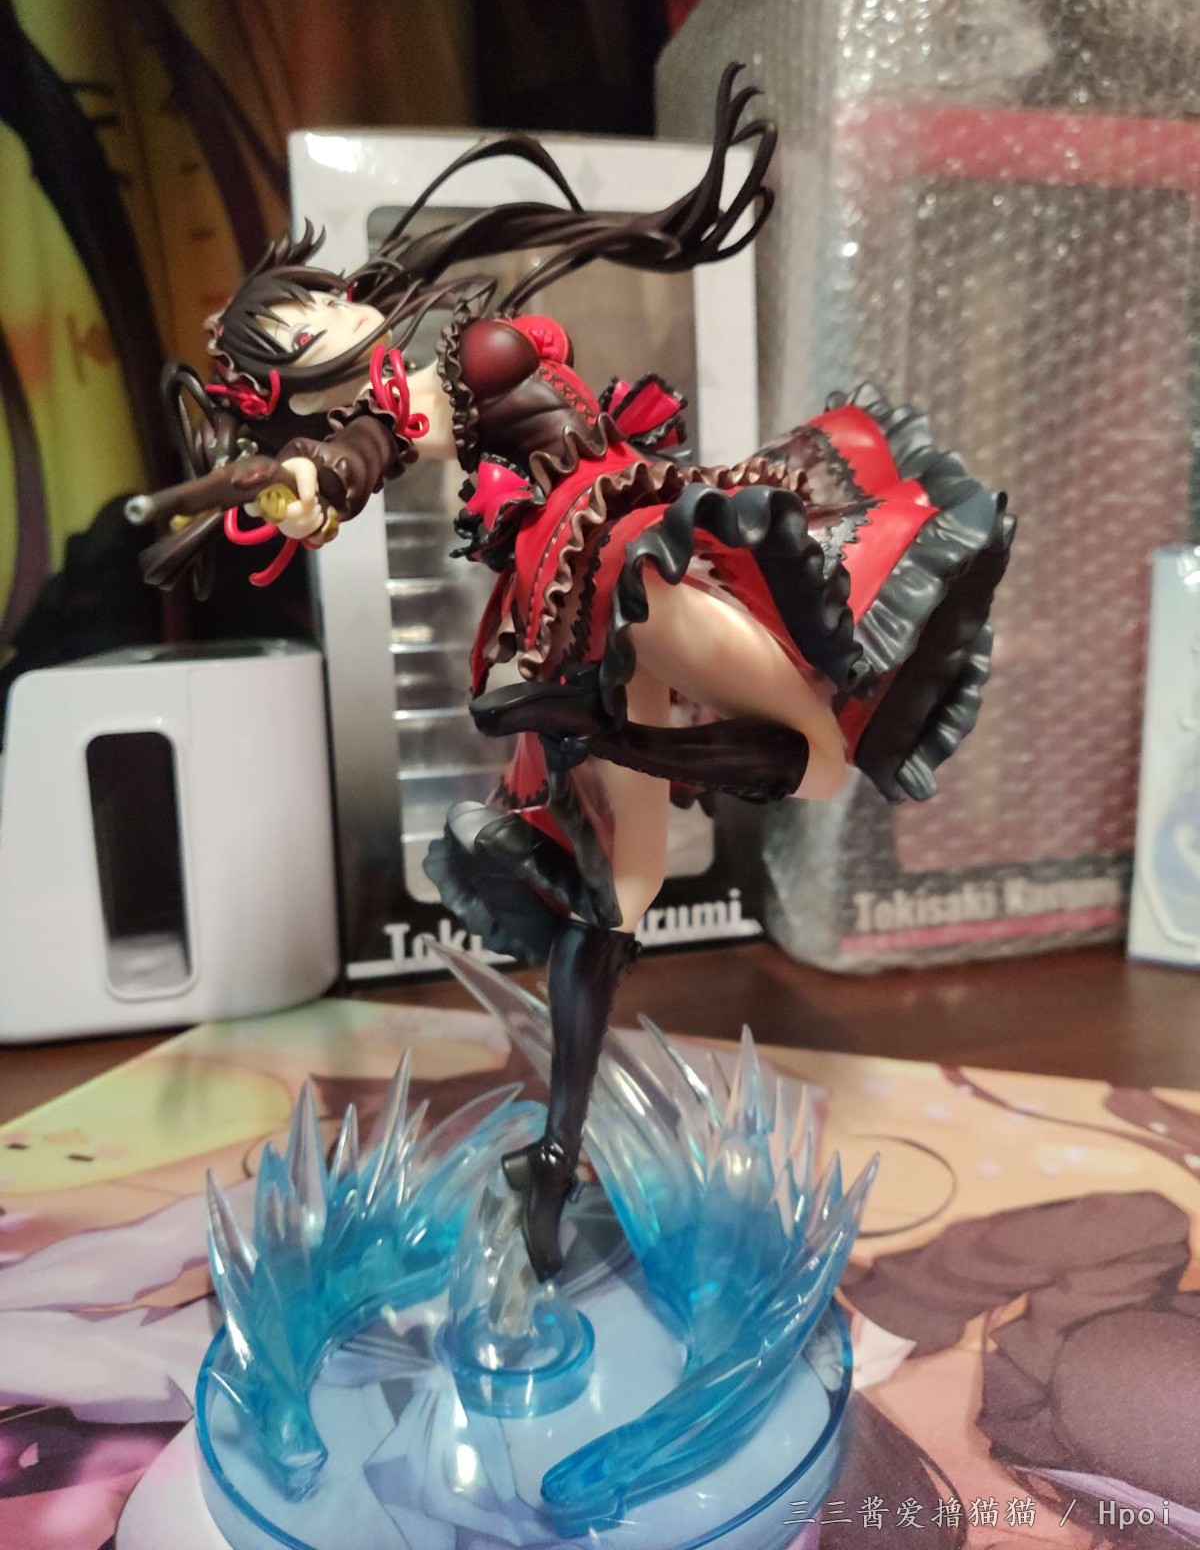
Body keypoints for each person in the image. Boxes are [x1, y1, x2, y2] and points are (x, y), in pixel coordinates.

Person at [139, 64, 1014, 1281]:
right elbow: (376, 445)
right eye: (288, 352)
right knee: (622, 889)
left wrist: (324, 468)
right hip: (576, 579)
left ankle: (741, 735)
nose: (320, 334)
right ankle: (559, 1149)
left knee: (728, 683)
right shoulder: (399, 405)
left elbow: (408, 426)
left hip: (614, 540)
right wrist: (307, 478)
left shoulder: (456, 353)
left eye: (305, 317)